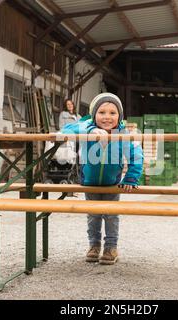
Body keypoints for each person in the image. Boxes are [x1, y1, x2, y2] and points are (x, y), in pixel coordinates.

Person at [61, 93, 143, 265]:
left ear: (119, 116)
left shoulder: (123, 133)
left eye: (113, 113)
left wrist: (130, 179)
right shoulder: (86, 126)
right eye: (102, 112)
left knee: (111, 216)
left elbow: (136, 156)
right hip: (90, 183)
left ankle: (111, 247)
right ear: (94, 115)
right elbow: (65, 131)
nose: (107, 117)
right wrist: (90, 131)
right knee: (93, 215)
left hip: (112, 184)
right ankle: (94, 246)